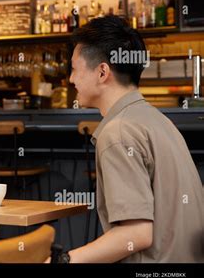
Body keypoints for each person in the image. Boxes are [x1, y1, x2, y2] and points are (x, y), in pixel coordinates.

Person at [52, 16, 203, 263]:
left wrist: (64, 261)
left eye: (75, 69)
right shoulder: (158, 120)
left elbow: (136, 234)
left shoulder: (118, 132)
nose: (70, 80)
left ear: (102, 72)